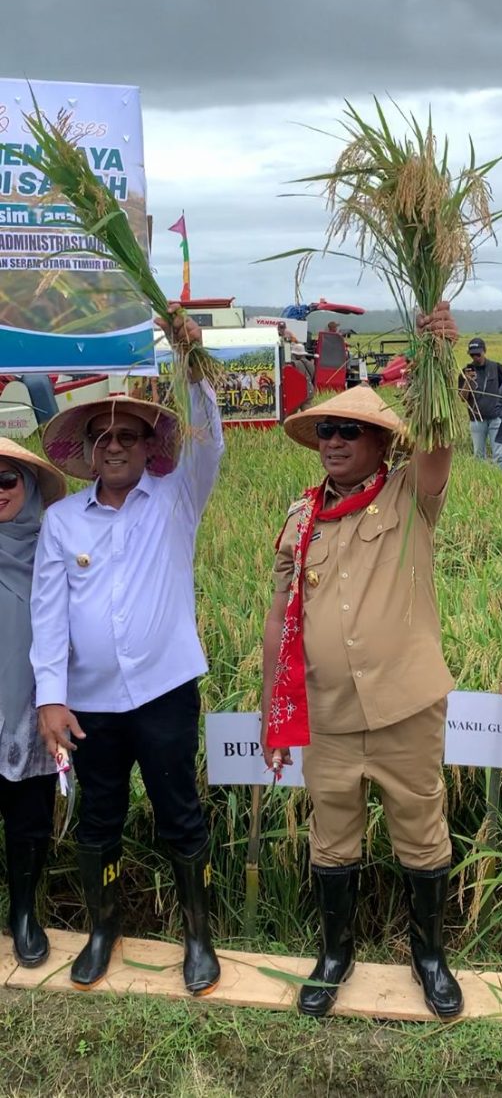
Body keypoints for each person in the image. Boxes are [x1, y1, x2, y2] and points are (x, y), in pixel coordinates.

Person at [261, 301, 464, 1022]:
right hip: (330, 715)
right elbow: (278, 626)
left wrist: (442, 358)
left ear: (381, 442)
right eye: (326, 430)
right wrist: (270, 713)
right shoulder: (298, 518)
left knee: (421, 831)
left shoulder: (410, 497)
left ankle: (429, 957)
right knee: (333, 835)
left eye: (350, 430)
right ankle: (335, 955)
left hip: (406, 706)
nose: (334, 440)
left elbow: (438, 447)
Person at [30, 313, 225, 996]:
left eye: (127, 435)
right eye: (102, 436)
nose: (113, 446)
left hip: (166, 691)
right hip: (89, 703)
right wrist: (50, 696)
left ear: (150, 448)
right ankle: (102, 930)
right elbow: (48, 613)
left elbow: (211, 441)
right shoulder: (62, 522)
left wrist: (191, 360)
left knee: (180, 812)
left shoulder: (176, 499)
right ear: (87, 452)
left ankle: (198, 936)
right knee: (98, 817)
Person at [0, 441, 66, 969]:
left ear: (29, 486)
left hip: (33, 708)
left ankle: (24, 913)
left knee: (29, 817)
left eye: (6, 480)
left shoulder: (52, 545)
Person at [458, 338, 502, 468]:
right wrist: (468, 381)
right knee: (478, 455)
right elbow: (462, 398)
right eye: (472, 354)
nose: (475, 357)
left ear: (484, 351)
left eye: (478, 354)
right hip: (476, 420)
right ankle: (482, 483)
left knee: (500, 455)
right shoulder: (464, 372)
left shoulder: (497, 368)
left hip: (496, 418)